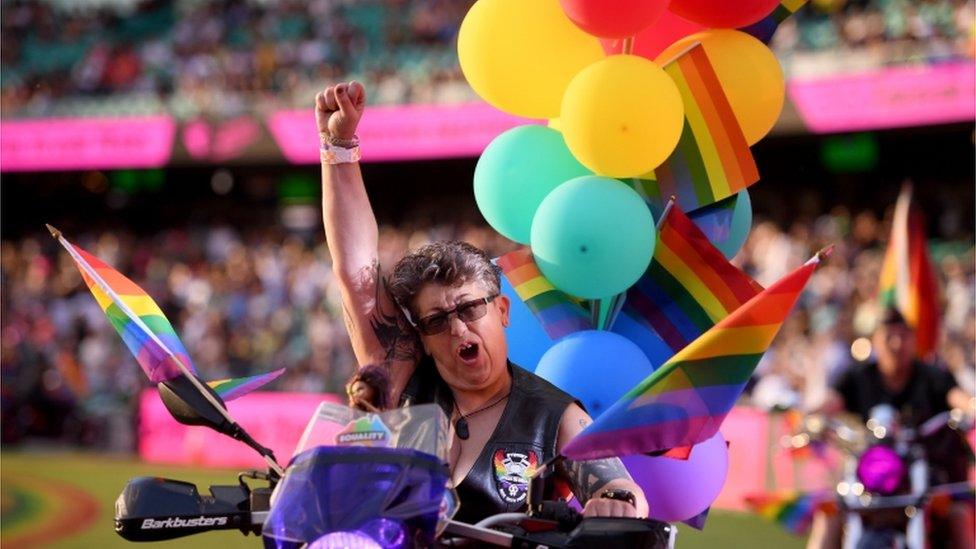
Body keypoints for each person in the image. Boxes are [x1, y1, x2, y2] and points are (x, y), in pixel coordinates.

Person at [316, 81, 649, 524]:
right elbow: (357, 275)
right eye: (435, 320)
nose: (457, 329)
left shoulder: (553, 414)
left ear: (503, 311)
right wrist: (338, 146)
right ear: (422, 336)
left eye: (470, 308)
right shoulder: (402, 376)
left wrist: (617, 502)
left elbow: (619, 486)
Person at [806, 308, 975, 549]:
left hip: (931, 475)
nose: (896, 344)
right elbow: (830, 402)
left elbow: (957, 397)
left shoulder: (932, 376)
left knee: (959, 515)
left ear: (913, 340)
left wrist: (971, 407)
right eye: (888, 336)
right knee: (829, 513)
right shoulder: (859, 376)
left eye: (903, 336)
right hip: (873, 476)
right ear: (875, 340)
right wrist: (811, 418)